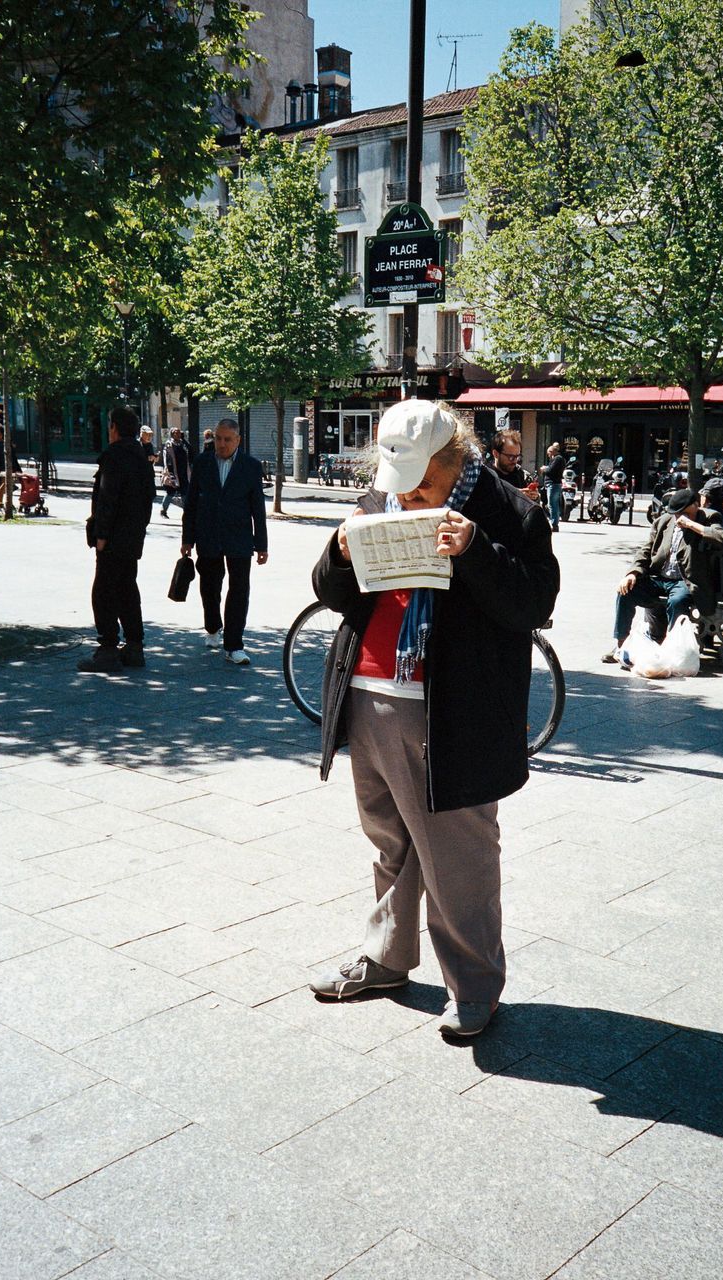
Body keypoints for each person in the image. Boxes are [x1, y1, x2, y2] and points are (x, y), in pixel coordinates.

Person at [308, 400, 559, 1038]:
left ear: (456, 458)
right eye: (403, 481)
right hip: (368, 690)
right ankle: (388, 958)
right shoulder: (379, 499)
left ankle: (474, 986)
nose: (412, 494)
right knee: (390, 841)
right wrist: (336, 554)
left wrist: (474, 550)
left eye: (425, 480)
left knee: (459, 855)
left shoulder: (511, 510)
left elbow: (533, 602)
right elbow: (332, 594)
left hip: (453, 708)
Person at [602, 487, 723, 666]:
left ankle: (674, 649)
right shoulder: (663, 522)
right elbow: (647, 549)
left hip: (684, 580)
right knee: (625, 592)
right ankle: (621, 646)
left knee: (678, 601)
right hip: (659, 577)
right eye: (675, 513)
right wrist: (632, 573)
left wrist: (692, 525)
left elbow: (721, 538)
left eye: (684, 513)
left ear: (696, 506)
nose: (679, 518)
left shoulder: (709, 518)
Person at [181, 417, 268, 666]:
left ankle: (234, 645)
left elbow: (257, 509)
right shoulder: (202, 463)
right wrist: (187, 538)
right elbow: (191, 503)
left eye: (227, 439)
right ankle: (212, 627)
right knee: (210, 585)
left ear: (238, 440)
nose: (221, 443)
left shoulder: (250, 466)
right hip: (207, 534)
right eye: (218, 438)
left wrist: (261, 544)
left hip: (239, 537)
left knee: (239, 590)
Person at [77, 406, 156, 673]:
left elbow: (107, 498)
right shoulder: (141, 456)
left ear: (114, 428)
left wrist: (101, 535)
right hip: (132, 538)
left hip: (112, 539)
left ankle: (108, 649)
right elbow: (148, 501)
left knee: (104, 592)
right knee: (127, 590)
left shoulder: (114, 456)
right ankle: (134, 647)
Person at [490, 428, 538, 500]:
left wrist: (534, 497)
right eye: (510, 456)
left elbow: (535, 507)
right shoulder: (486, 476)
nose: (515, 461)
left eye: (517, 456)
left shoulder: (523, 476)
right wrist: (514, 497)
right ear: (496, 454)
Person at [0, 423, 21, 511]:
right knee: (0, 484)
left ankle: (9, 503)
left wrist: (16, 468)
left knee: (9, 485)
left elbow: (13, 456)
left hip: (9, 467)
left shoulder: (7, 443)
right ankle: (0, 503)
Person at [160, 426, 191, 518]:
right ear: (172, 434)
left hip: (184, 473)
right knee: (171, 492)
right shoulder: (169, 445)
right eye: (176, 433)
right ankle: (163, 510)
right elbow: (168, 461)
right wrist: (172, 477)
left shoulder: (183, 444)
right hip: (173, 473)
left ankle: (188, 513)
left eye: (179, 433)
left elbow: (191, 452)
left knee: (185, 493)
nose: (178, 435)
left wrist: (184, 440)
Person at [540, 442, 566, 532]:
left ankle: (554, 525)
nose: (548, 455)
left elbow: (551, 470)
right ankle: (553, 523)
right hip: (552, 484)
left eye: (548, 453)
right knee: (551, 504)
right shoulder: (556, 459)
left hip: (553, 484)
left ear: (552, 451)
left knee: (553, 505)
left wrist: (544, 469)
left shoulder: (558, 459)